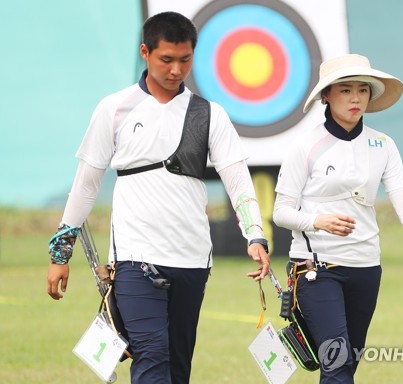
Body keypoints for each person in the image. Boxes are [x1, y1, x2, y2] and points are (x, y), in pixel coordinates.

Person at [46, 11, 270, 384]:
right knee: (151, 353)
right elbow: (86, 185)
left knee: (177, 365)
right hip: (135, 258)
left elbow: (238, 180)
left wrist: (255, 235)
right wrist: (60, 253)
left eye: (185, 60)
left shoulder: (209, 114)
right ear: (145, 52)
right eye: (166, 59)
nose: (176, 70)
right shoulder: (113, 108)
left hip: (192, 257)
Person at [272, 53, 403, 383]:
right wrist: (317, 221)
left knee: (346, 366)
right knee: (337, 365)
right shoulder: (305, 146)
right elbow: (281, 212)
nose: (355, 98)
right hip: (316, 270)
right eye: (345, 90)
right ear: (327, 95)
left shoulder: (383, 145)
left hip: (366, 268)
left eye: (362, 90)